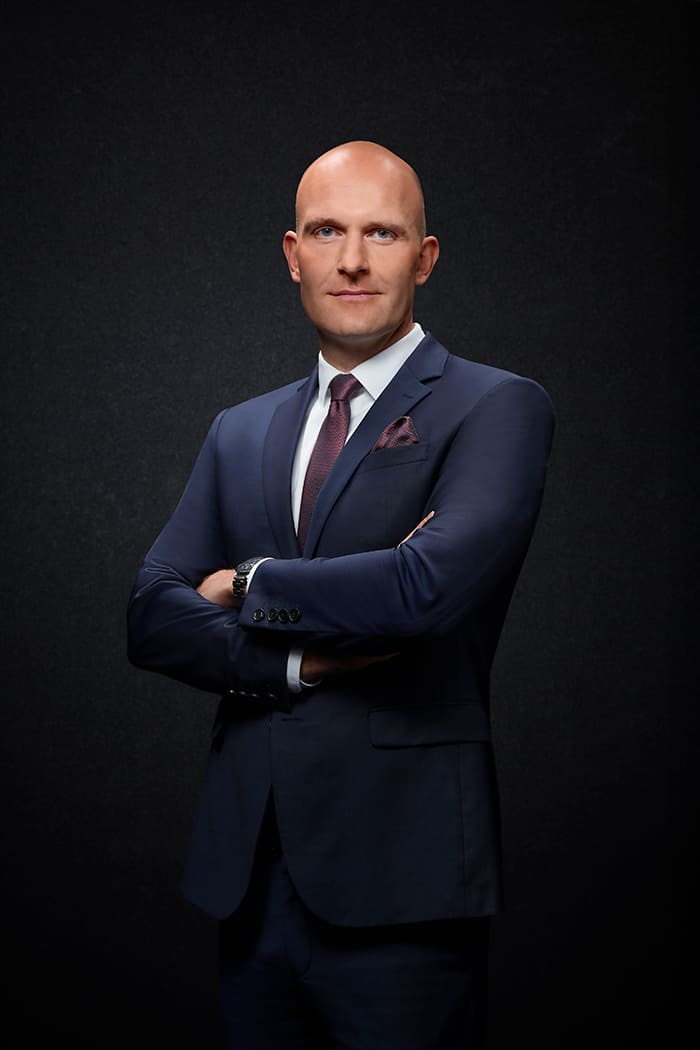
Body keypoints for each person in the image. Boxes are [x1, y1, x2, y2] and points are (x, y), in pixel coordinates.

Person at [127, 140, 555, 1049]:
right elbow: (151, 616)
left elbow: (422, 590)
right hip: (251, 876)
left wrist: (247, 581)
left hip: (404, 879)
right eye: (326, 231)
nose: (352, 259)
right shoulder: (239, 429)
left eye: (381, 233)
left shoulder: (497, 406)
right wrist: (297, 663)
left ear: (424, 258)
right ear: (293, 254)